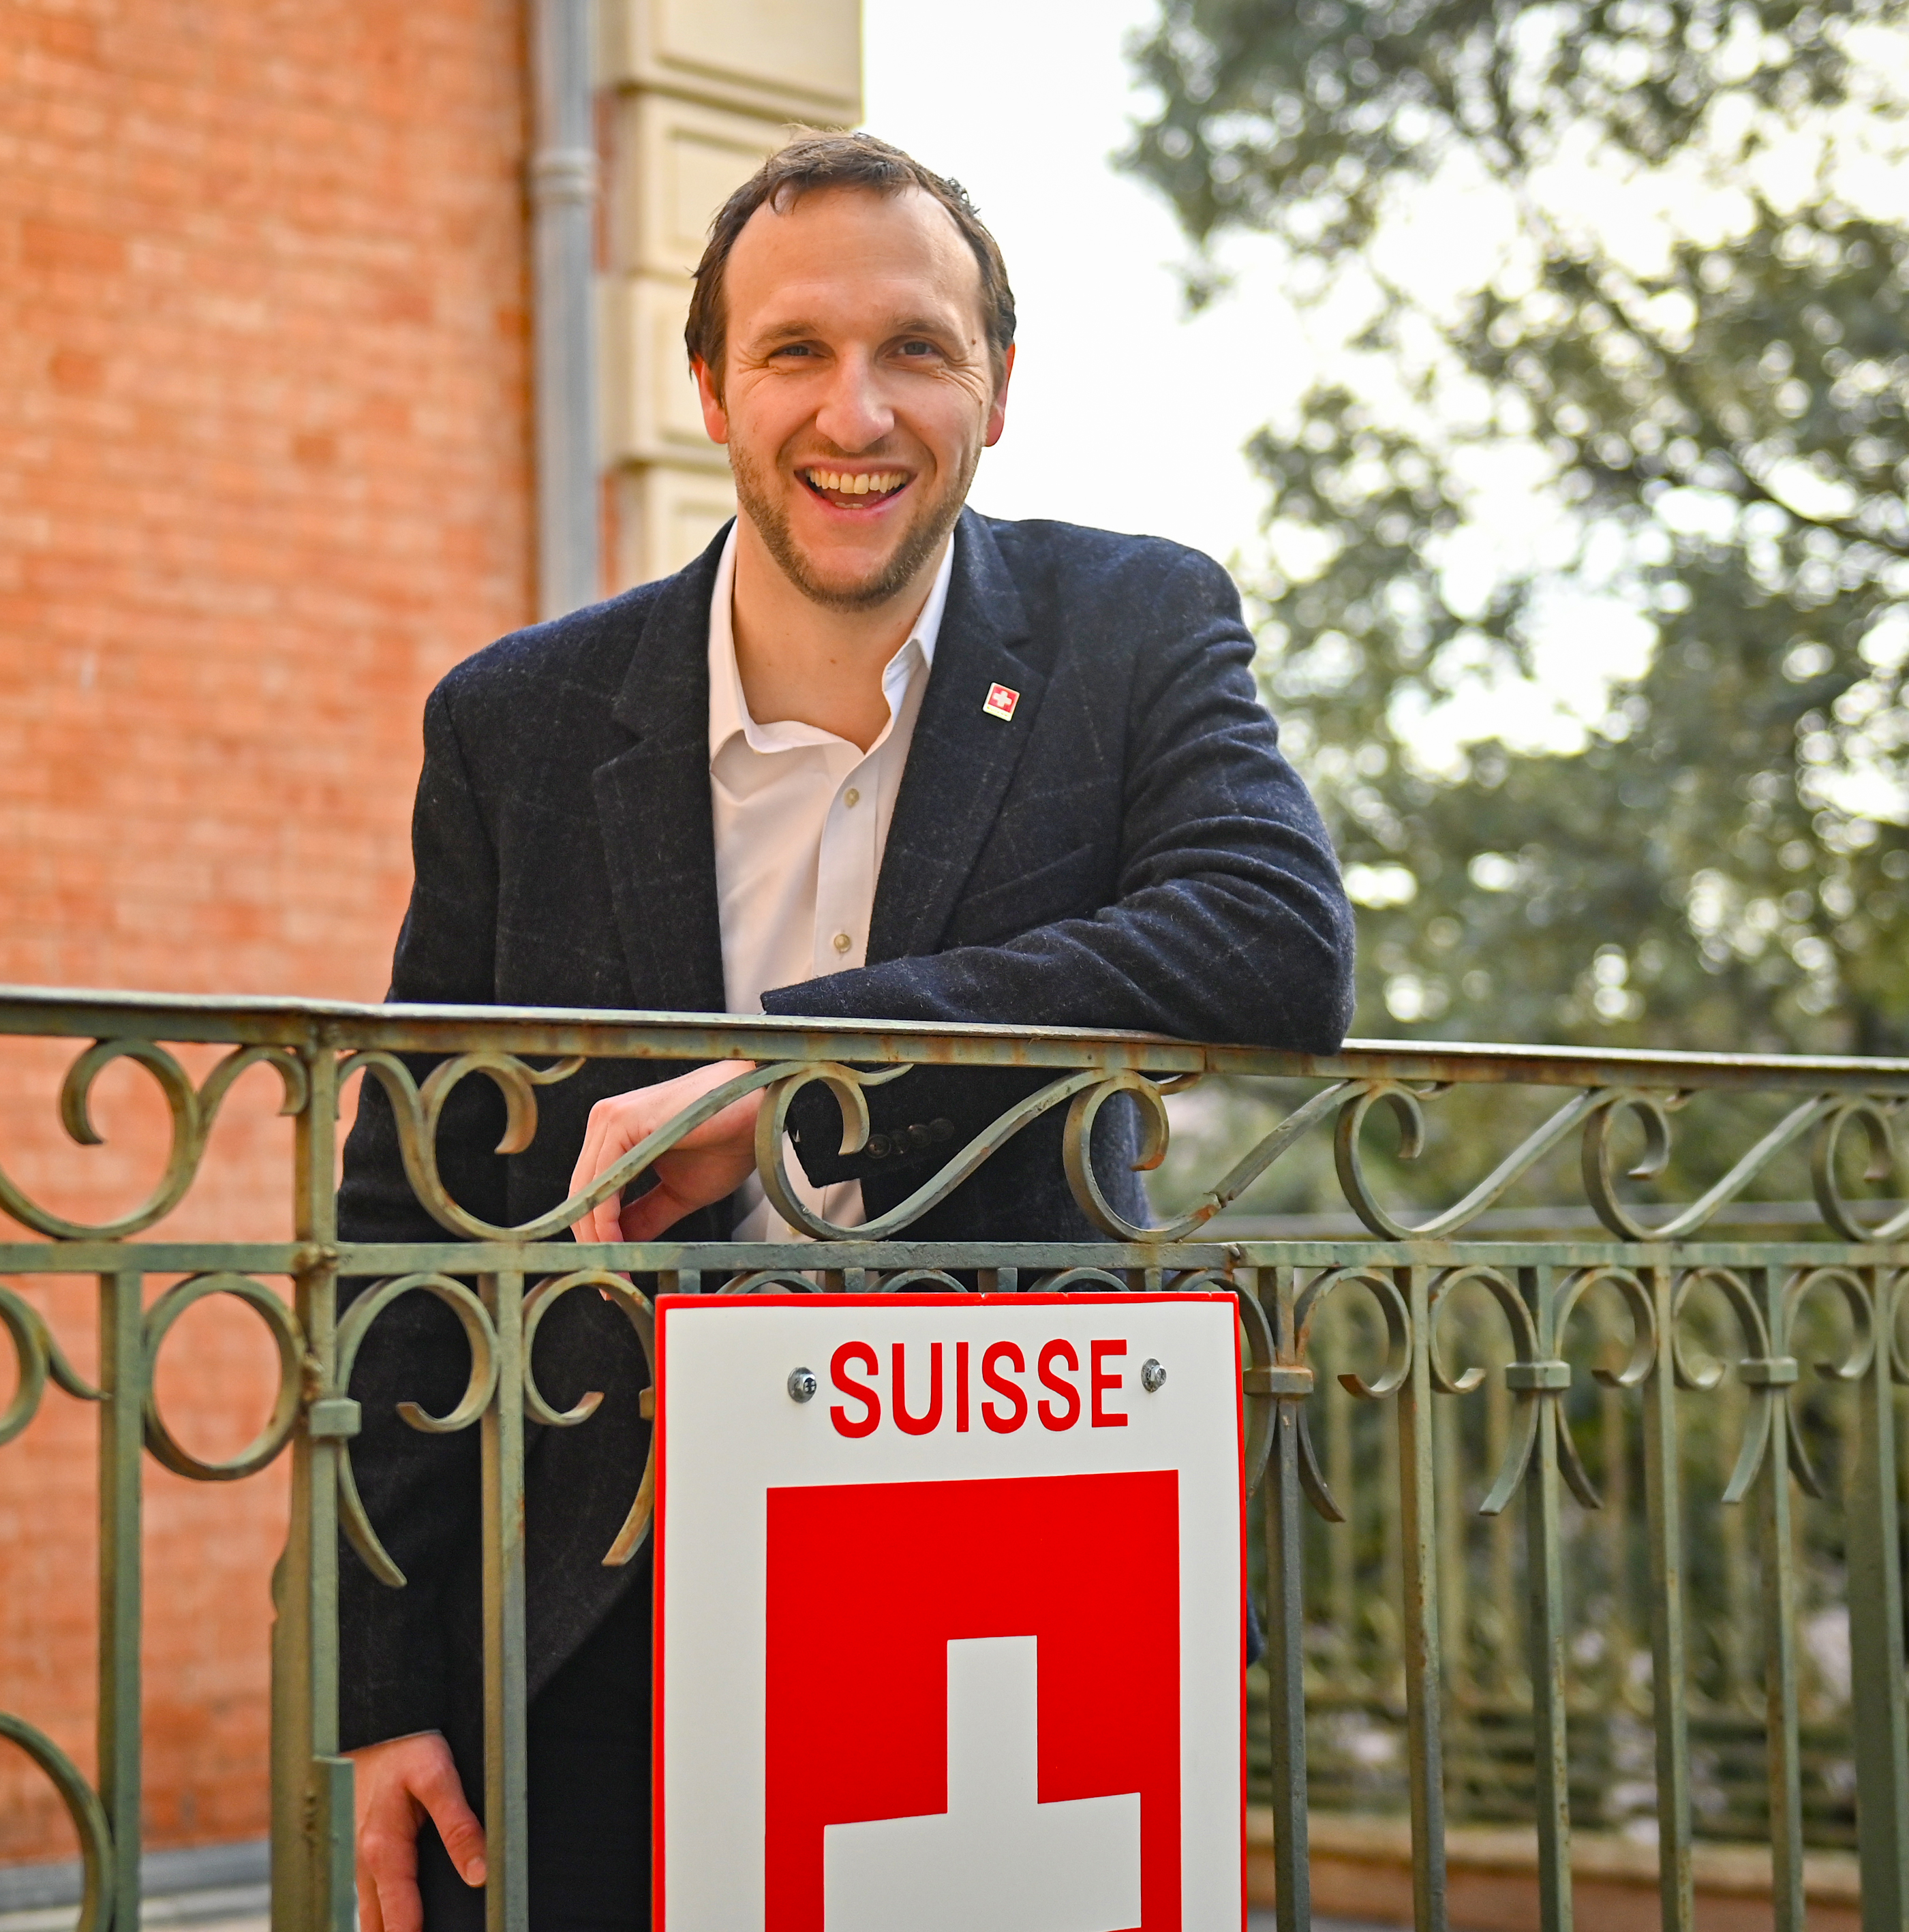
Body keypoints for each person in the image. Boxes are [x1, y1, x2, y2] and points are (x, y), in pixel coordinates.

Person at [332, 129, 1355, 1931]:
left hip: (1019, 1553)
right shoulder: (515, 723)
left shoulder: (1131, 622)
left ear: (999, 388)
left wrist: (799, 1070)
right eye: (796, 350)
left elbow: (1274, 946)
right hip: (602, 1590)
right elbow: (411, 1217)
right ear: (713, 388)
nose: (855, 411)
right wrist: (388, 1670)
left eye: (916, 349)